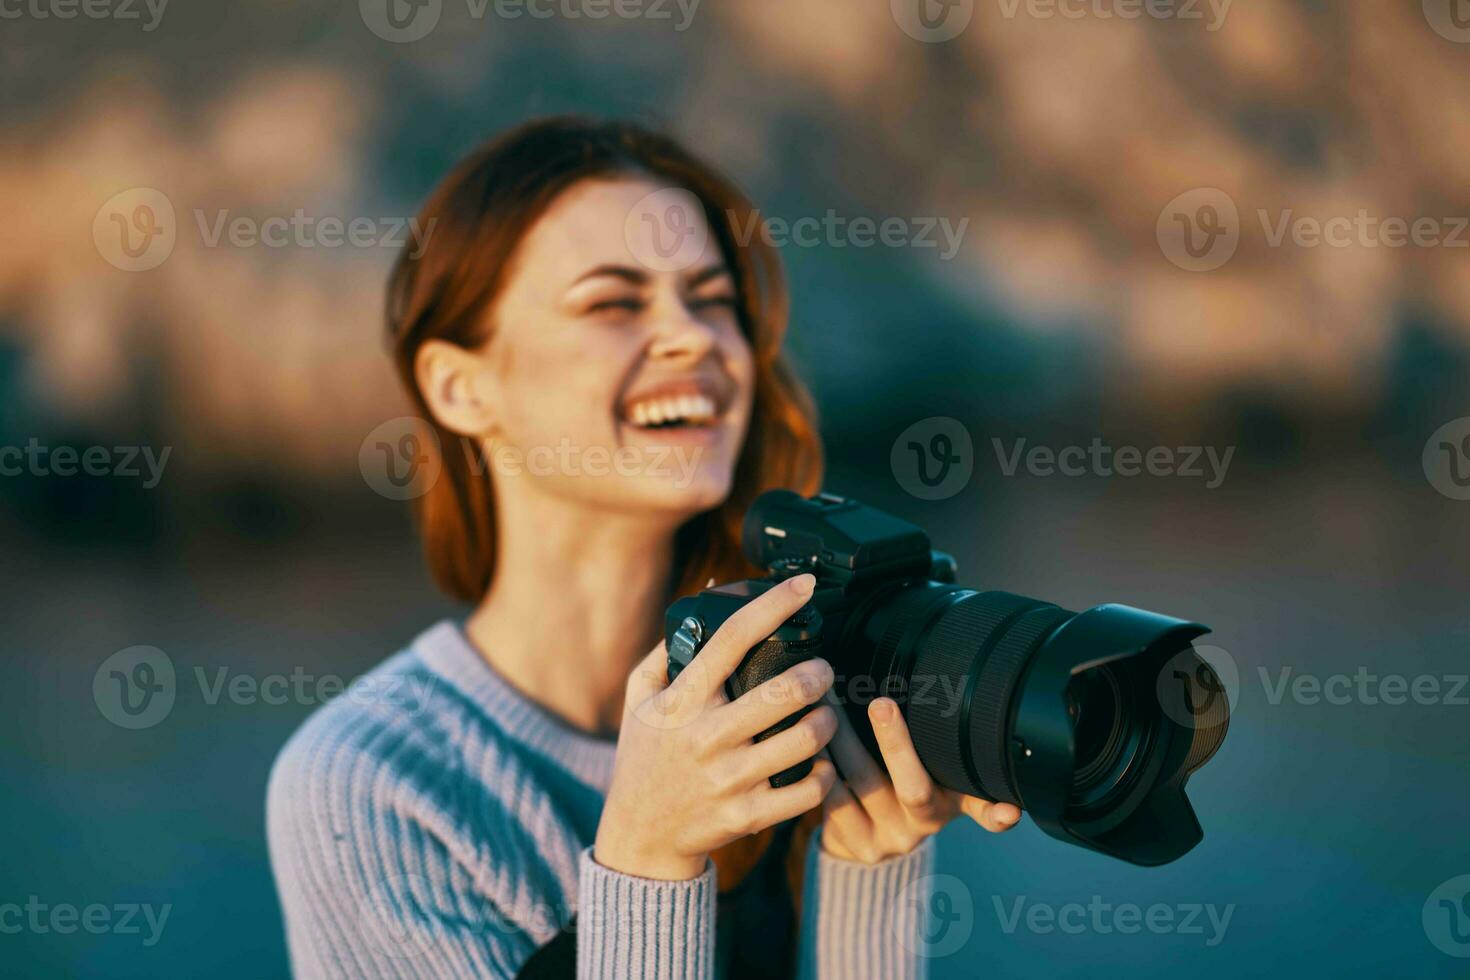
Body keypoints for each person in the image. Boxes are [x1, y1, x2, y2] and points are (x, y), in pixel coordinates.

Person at [267, 116, 1020, 980]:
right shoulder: (371, 786)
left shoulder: (788, 710)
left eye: (712, 300)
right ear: (460, 386)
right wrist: (648, 859)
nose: (694, 338)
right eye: (613, 302)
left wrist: (870, 873)